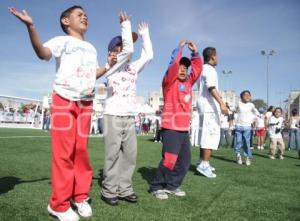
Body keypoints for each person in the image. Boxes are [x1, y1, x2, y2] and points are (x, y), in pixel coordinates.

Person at [9, 5, 107, 221]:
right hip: (64, 99)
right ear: (65, 21)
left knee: (80, 151)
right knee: (64, 153)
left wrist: (108, 66)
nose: (84, 16)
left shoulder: (91, 48)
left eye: (86, 15)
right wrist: (31, 26)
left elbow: (93, 74)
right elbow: (43, 53)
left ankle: (80, 196)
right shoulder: (61, 41)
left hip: (86, 102)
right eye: (79, 14)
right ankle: (59, 205)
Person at [101, 12, 153, 206]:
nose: (124, 50)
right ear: (112, 52)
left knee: (130, 155)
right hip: (112, 115)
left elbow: (148, 56)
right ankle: (109, 190)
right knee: (112, 154)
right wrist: (125, 26)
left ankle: (125, 189)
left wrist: (145, 34)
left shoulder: (132, 67)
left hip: (129, 116)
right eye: (120, 47)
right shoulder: (110, 67)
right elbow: (129, 52)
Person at [149, 40, 202, 200]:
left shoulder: (188, 83)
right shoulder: (169, 82)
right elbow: (172, 65)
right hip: (170, 127)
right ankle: (157, 186)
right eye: (180, 67)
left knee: (185, 161)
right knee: (170, 160)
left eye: (185, 68)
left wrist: (195, 53)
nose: (183, 70)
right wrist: (178, 49)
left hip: (184, 129)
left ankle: (172, 185)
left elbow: (197, 70)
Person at [196, 47, 229, 178]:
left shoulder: (202, 69)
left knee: (205, 134)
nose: (218, 59)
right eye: (217, 56)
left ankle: (202, 161)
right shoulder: (210, 70)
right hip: (209, 107)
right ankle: (204, 164)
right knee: (210, 135)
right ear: (213, 57)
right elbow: (211, 87)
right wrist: (222, 104)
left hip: (204, 105)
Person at [234, 90, 259, 166]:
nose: (247, 96)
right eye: (245, 95)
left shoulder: (251, 105)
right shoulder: (238, 104)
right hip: (238, 125)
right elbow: (233, 111)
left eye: (249, 95)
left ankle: (247, 157)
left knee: (246, 143)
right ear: (241, 97)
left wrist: (253, 118)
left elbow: (256, 113)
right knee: (238, 142)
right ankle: (238, 155)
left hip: (247, 126)